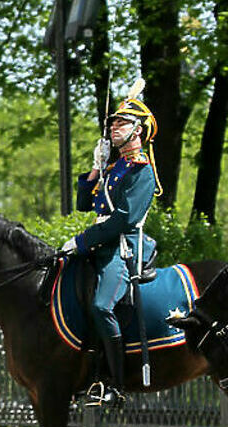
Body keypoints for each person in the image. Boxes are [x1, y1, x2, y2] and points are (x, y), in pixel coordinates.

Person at [61, 94, 161, 408]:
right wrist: (95, 167)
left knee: (102, 306)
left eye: (122, 122)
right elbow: (82, 204)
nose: (114, 127)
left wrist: (81, 241)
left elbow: (123, 220)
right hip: (101, 244)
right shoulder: (115, 167)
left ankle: (116, 386)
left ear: (139, 131)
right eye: (114, 121)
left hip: (123, 247)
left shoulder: (141, 172)